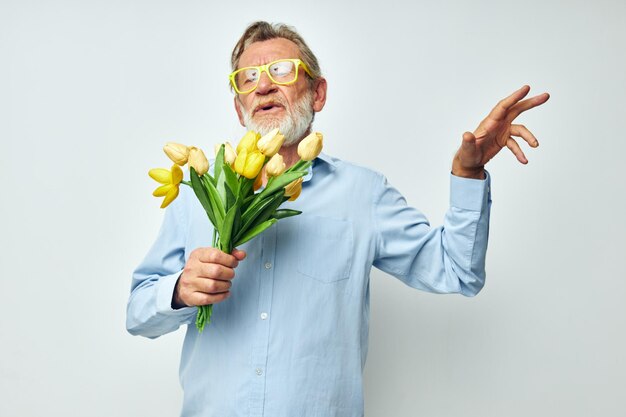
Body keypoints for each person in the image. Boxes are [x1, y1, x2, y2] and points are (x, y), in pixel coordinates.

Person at [127, 21, 549, 417]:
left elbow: (458, 272)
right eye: (248, 79)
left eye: (282, 71)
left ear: (318, 94)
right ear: (239, 109)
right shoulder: (198, 193)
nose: (264, 85)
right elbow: (138, 312)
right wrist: (180, 290)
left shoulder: (363, 193)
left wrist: (468, 174)